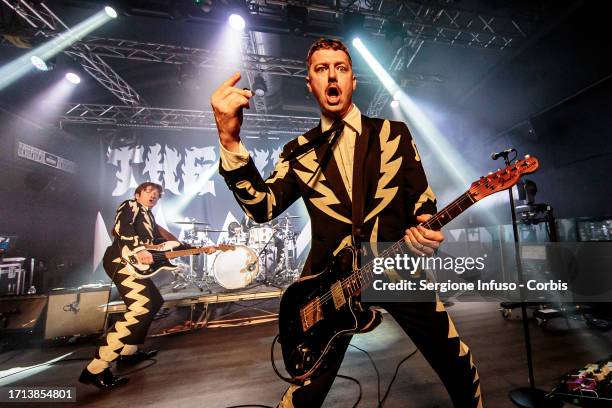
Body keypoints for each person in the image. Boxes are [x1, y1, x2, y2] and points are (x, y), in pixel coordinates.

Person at [211, 38, 482, 407]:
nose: (332, 75)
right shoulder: (297, 152)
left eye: (340, 67)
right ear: (311, 84)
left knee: (455, 361)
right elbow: (263, 208)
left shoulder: (394, 135)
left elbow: (422, 202)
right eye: (321, 69)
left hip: (395, 267)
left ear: (353, 80)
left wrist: (425, 231)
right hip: (329, 285)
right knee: (308, 389)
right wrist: (229, 139)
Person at [79, 182, 212, 389]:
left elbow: (162, 243)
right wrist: (139, 249)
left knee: (154, 301)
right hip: (121, 263)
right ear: (138, 194)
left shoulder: (149, 217)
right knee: (140, 307)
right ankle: (96, 367)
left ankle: (127, 352)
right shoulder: (129, 206)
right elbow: (123, 227)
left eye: (156, 194)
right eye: (149, 192)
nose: (153, 196)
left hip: (134, 266)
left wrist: (198, 249)